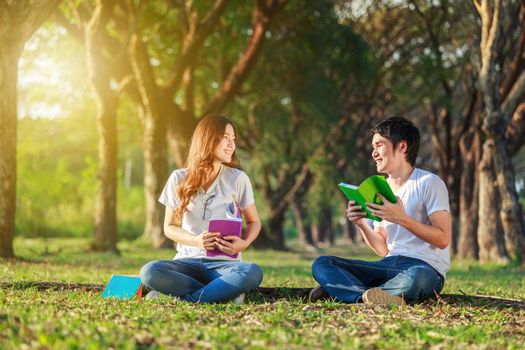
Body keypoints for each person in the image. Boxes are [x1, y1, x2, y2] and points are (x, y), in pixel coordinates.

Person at [310, 117, 451, 305]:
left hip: (423, 266)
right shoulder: (380, 189)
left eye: (379, 145)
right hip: (388, 265)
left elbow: (443, 239)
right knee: (323, 263)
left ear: (401, 147)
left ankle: (344, 290)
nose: (374, 153)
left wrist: (401, 218)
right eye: (373, 148)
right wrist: (361, 224)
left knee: (417, 278)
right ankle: (368, 297)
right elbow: (382, 249)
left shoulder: (429, 183)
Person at [140, 114, 263, 303]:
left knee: (252, 272)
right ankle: (220, 294)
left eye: (233, 139)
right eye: (225, 138)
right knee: (150, 271)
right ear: (207, 139)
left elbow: (254, 222)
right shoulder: (178, 178)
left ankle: (183, 297)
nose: (232, 144)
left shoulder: (238, 179)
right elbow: (169, 227)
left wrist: (244, 243)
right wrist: (196, 241)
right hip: (186, 263)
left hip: (226, 266)